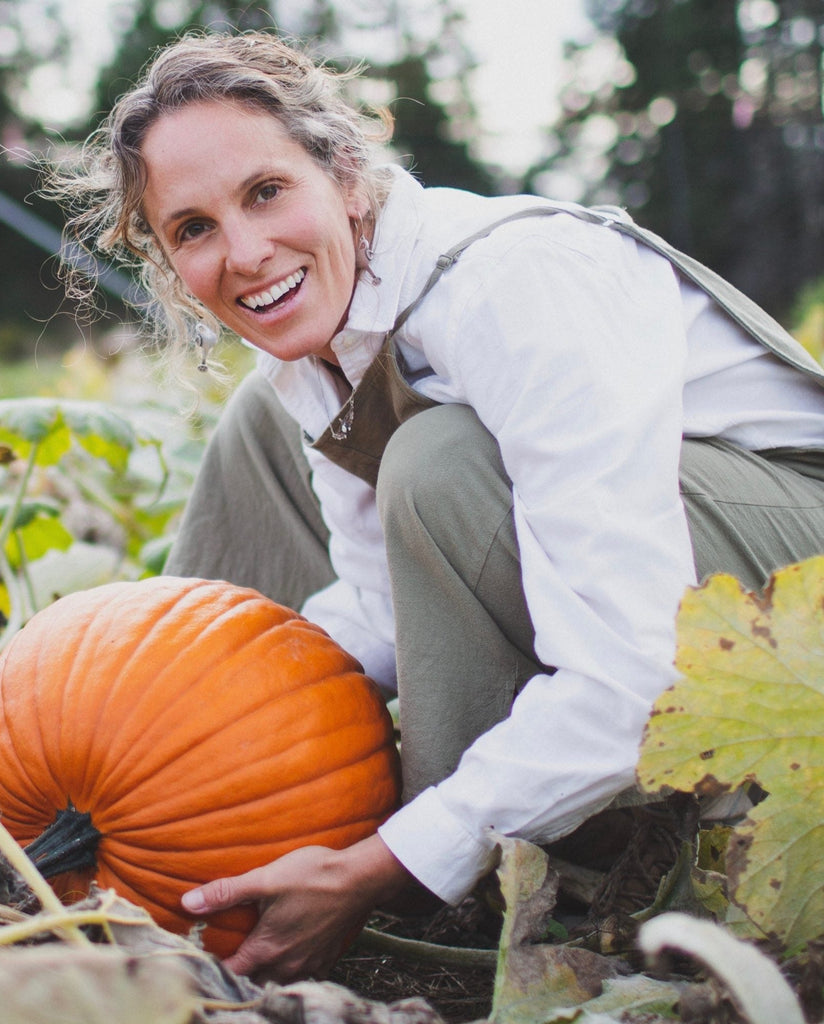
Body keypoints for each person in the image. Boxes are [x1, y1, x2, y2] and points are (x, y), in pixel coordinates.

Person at [51, 30, 824, 983]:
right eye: (193, 229)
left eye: (265, 192)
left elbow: (636, 667)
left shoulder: (512, 286)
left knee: (438, 460)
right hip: (679, 570)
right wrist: (186, 721)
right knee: (297, 425)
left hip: (798, 583)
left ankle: (500, 863)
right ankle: (493, 790)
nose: (244, 253)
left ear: (343, 171)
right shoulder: (321, 336)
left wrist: (390, 861)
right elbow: (376, 598)